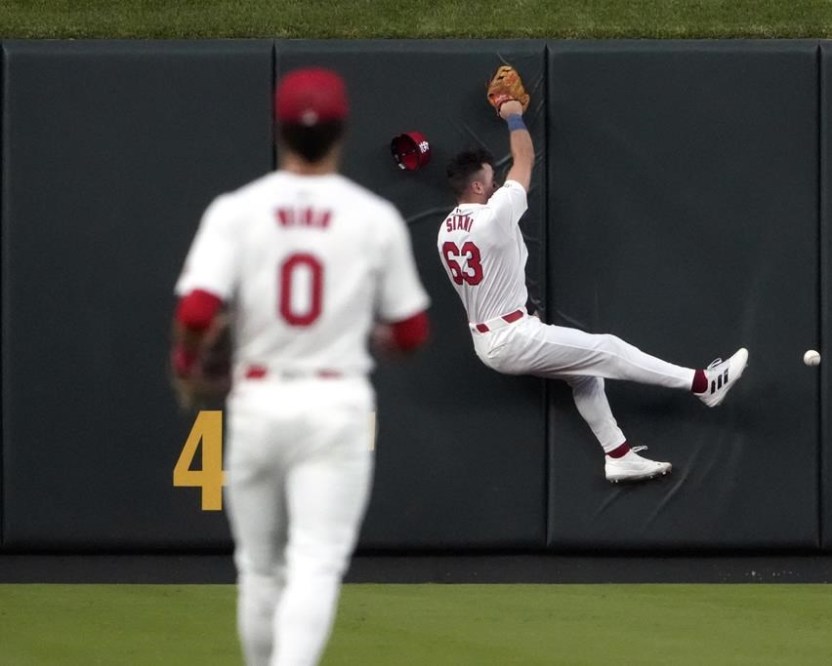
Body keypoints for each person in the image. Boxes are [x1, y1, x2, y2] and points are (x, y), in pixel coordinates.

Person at [171, 67, 430, 665]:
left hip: (258, 401)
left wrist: (188, 357)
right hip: (334, 405)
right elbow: (413, 331)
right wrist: (385, 337)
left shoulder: (238, 210)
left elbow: (198, 308)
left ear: (279, 127)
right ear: (341, 130)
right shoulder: (373, 217)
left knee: (260, 570)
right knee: (315, 564)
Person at [437, 98, 748, 484]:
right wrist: (513, 113)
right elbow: (524, 160)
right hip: (511, 336)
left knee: (585, 376)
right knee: (608, 349)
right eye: (491, 179)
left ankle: (617, 455)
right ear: (479, 186)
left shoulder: (446, 231)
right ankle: (703, 384)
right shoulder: (494, 214)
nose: (499, 183)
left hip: (494, 335)